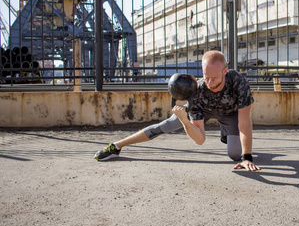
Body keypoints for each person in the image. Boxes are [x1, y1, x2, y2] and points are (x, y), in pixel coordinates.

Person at [94, 50, 260, 171]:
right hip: (205, 109)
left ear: (225, 71)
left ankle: (228, 134)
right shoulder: (198, 91)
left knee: (235, 155)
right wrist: (184, 120)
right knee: (166, 125)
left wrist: (247, 158)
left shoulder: (238, 82)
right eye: (205, 76)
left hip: (231, 115)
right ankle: (117, 146)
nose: (209, 82)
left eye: (214, 78)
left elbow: (245, 123)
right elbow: (200, 139)